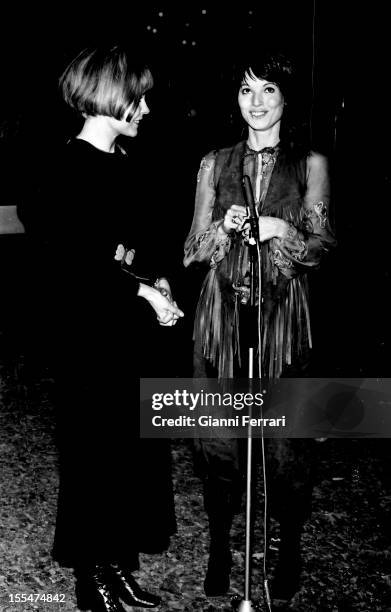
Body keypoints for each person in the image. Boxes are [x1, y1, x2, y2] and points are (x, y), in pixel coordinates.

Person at [19, 45, 184, 612]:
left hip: (127, 336)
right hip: (88, 339)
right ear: (110, 95)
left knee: (129, 457)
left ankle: (119, 568)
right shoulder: (59, 170)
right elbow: (67, 267)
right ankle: (93, 582)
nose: (146, 109)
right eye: (138, 97)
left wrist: (157, 280)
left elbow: (136, 243)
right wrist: (137, 289)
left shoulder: (124, 165)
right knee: (94, 458)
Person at [184, 51, 336, 602]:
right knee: (220, 445)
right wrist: (224, 232)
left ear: (287, 99)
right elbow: (191, 249)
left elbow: (322, 247)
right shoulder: (214, 162)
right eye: (247, 90)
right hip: (222, 319)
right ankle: (220, 547)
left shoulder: (310, 163)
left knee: (286, 448)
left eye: (268, 90)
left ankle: (287, 546)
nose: (256, 102)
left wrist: (277, 227)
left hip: (283, 322)